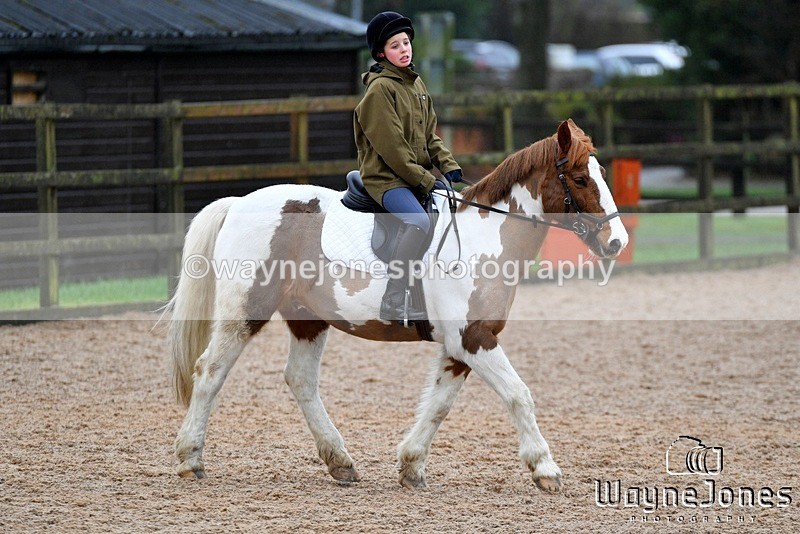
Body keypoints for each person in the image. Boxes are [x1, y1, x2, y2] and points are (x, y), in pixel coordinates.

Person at [354, 11, 463, 323]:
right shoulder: (379, 91)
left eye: (406, 43)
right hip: (387, 179)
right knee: (419, 221)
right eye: (395, 45)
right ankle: (392, 296)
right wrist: (427, 180)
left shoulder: (416, 85)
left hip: (412, 176)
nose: (404, 49)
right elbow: (394, 151)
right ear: (380, 53)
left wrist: (449, 165)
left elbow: (429, 137)